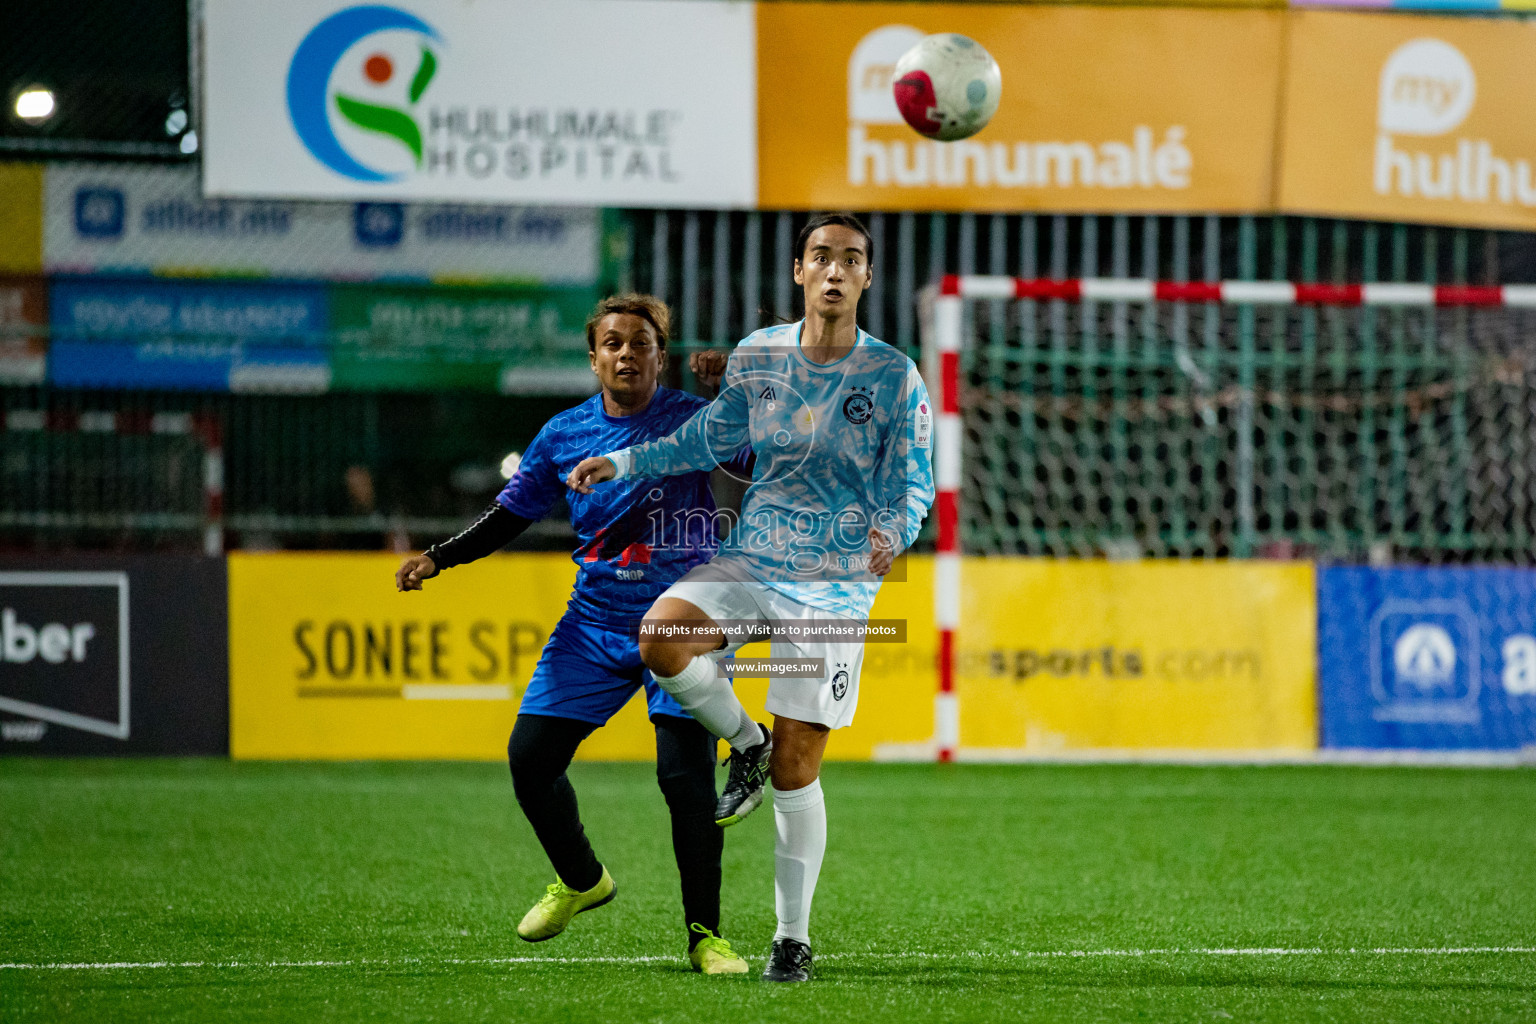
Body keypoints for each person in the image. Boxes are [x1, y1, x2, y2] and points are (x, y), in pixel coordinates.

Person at [567, 213, 936, 982]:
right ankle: (748, 742)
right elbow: (706, 437)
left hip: (834, 584)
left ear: (868, 278)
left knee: (802, 769)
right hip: (756, 557)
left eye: (852, 260)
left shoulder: (895, 375)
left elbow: (915, 482)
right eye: (821, 257)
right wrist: (624, 462)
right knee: (662, 634)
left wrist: (892, 532)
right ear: (799, 272)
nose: (835, 270)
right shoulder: (757, 356)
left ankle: (791, 939)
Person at [396, 294, 749, 975]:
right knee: (530, 760)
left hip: (680, 624)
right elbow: (509, 515)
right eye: (612, 343)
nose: (626, 353)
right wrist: (440, 556)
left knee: (685, 783)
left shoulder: (697, 423)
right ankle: (584, 880)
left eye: (639, 343)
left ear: (659, 356)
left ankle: (706, 936)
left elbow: (763, 463)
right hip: (592, 623)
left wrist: (730, 393)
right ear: (594, 358)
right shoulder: (564, 434)